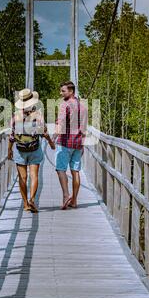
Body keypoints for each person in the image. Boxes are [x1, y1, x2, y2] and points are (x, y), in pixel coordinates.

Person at [8, 88, 55, 213]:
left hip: (20, 150)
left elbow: (12, 136)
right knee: (34, 176)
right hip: (34, 149)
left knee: (22, 177)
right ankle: (32, 200)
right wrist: (50, 143)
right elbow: (44, 133)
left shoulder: (15, 116)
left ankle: (25, 204)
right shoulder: (37, 115)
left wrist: (9, 150)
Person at [53, 81, 88, 209]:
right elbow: (84, 128)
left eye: (63, 91)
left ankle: (66, 195)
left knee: (60, 169)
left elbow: (61, 123)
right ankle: (74, 201)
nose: (61, 93)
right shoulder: (83, 107)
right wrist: (82, 144)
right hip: (78, 143)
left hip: (65, 143)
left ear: (71, 91)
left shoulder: (64, 105)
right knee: (75, 171)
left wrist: (53, 138)